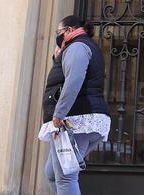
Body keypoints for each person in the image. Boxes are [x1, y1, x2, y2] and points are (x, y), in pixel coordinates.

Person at [41, 15, 111, 195]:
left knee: (65, 176)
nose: (58, 37)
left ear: (70, 30)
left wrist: (59, 112)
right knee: (51, 173)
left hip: (76, 120)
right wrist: (57, 58)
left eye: (59, 33)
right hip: (80, 118)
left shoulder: (78, 47)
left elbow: (74, 80)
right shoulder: (76, 48)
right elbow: (65, 77)